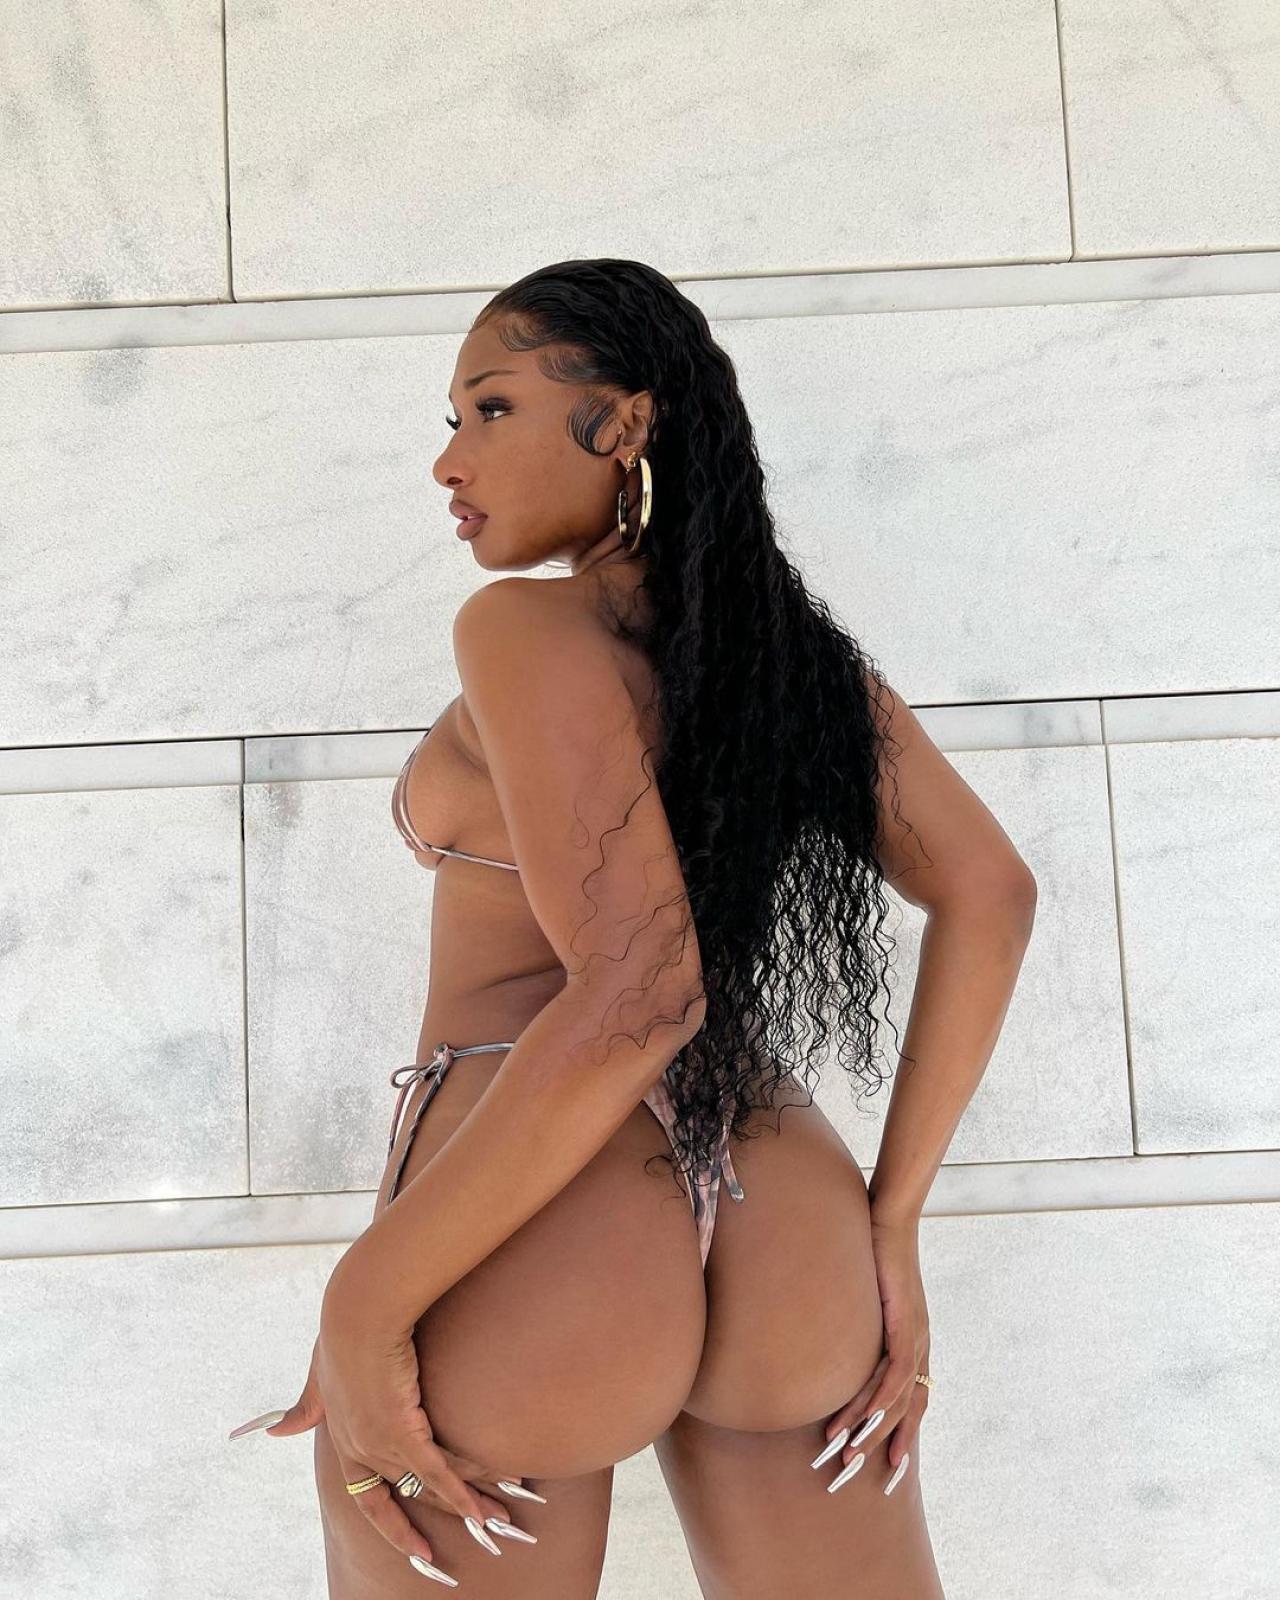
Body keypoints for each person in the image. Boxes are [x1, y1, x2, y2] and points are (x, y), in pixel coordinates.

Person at [235, 258, 1038, 1595]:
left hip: (548, 1210)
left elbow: (641, 990)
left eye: (492, 408)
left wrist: (363, 1300)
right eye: (452, 420)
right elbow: (990, 891)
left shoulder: (521, 630)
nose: (449, 461)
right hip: (783, 1202)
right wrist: (892, 1224)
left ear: (624, 423)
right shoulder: (783, 656)